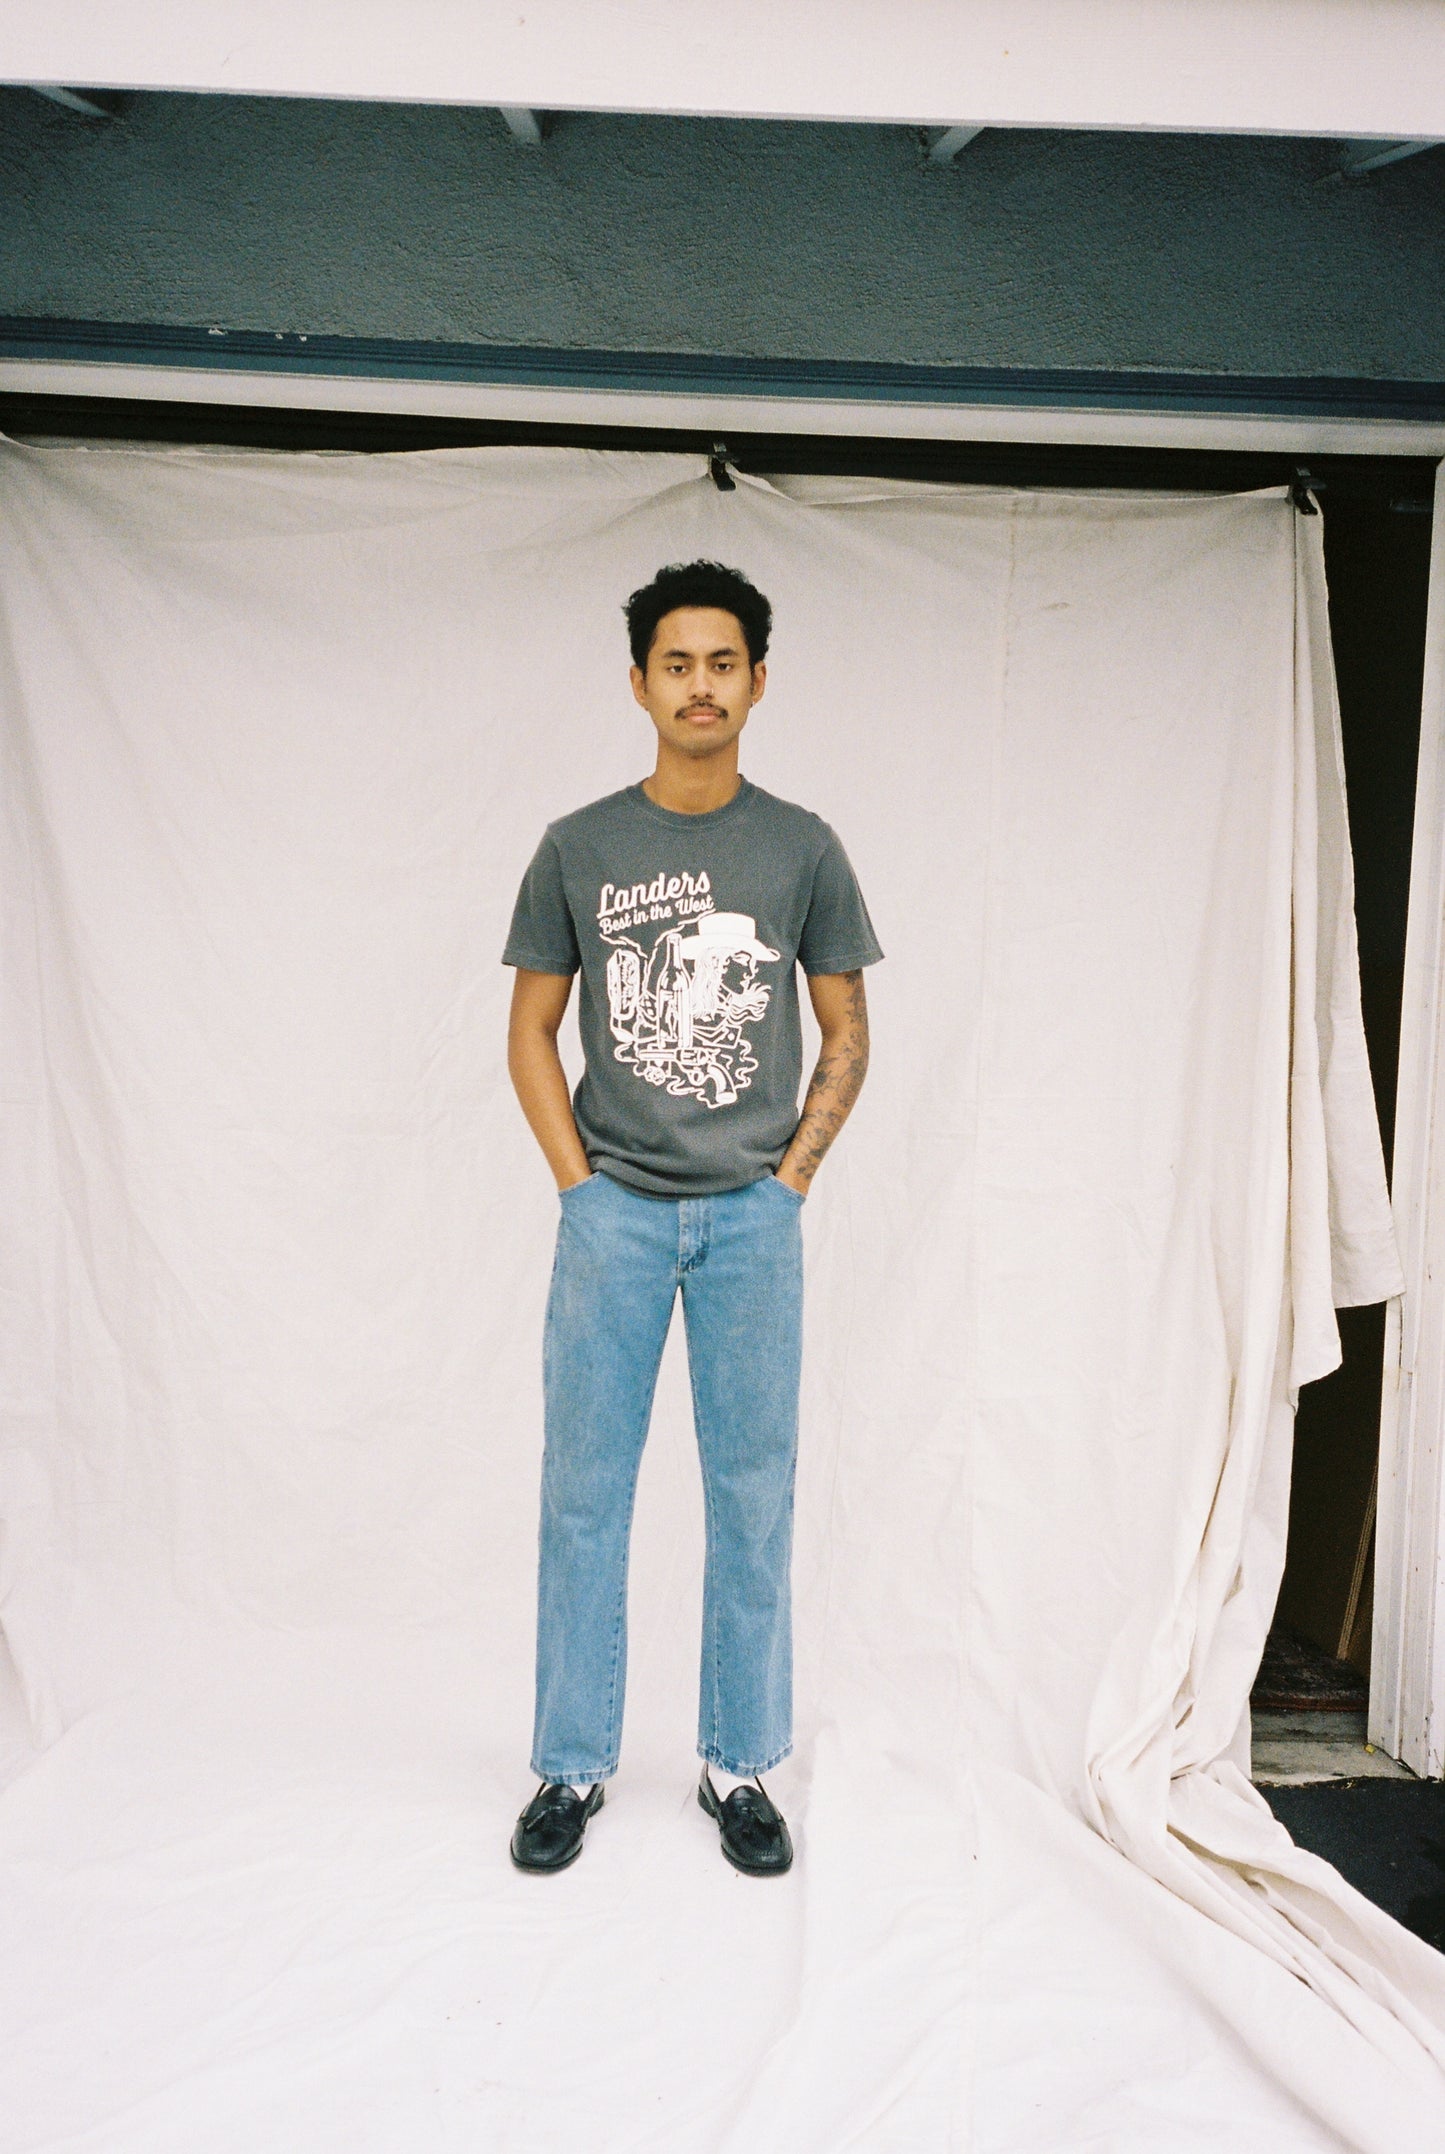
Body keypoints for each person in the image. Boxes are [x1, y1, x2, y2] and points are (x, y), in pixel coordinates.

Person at [502, 558, 883, 1876]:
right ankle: (568, 1765)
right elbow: (530, 1031)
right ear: (639, 684)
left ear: (757, 682)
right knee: (582, 1500)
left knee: (753, 1499)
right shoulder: (578, 846)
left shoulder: (802, 846)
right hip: (610, 1213)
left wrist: (788, 1182)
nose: (700, 685)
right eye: (677, 663)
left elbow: (846, 1031)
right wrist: (577, 1183)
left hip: (750, 1220)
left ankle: (739, 1765)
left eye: (723, 663)